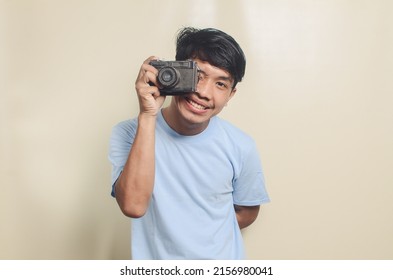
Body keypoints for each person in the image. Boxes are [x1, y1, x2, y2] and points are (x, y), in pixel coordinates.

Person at [108, 27, 270, 259]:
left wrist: (196, 231)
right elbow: (133, 206)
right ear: (175, 71)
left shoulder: (241, 145)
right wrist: (147, 115)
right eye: (198, 75)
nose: (204, 92)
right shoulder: (128, 132)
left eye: (221, 84)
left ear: (231, 95)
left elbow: (247, 212)